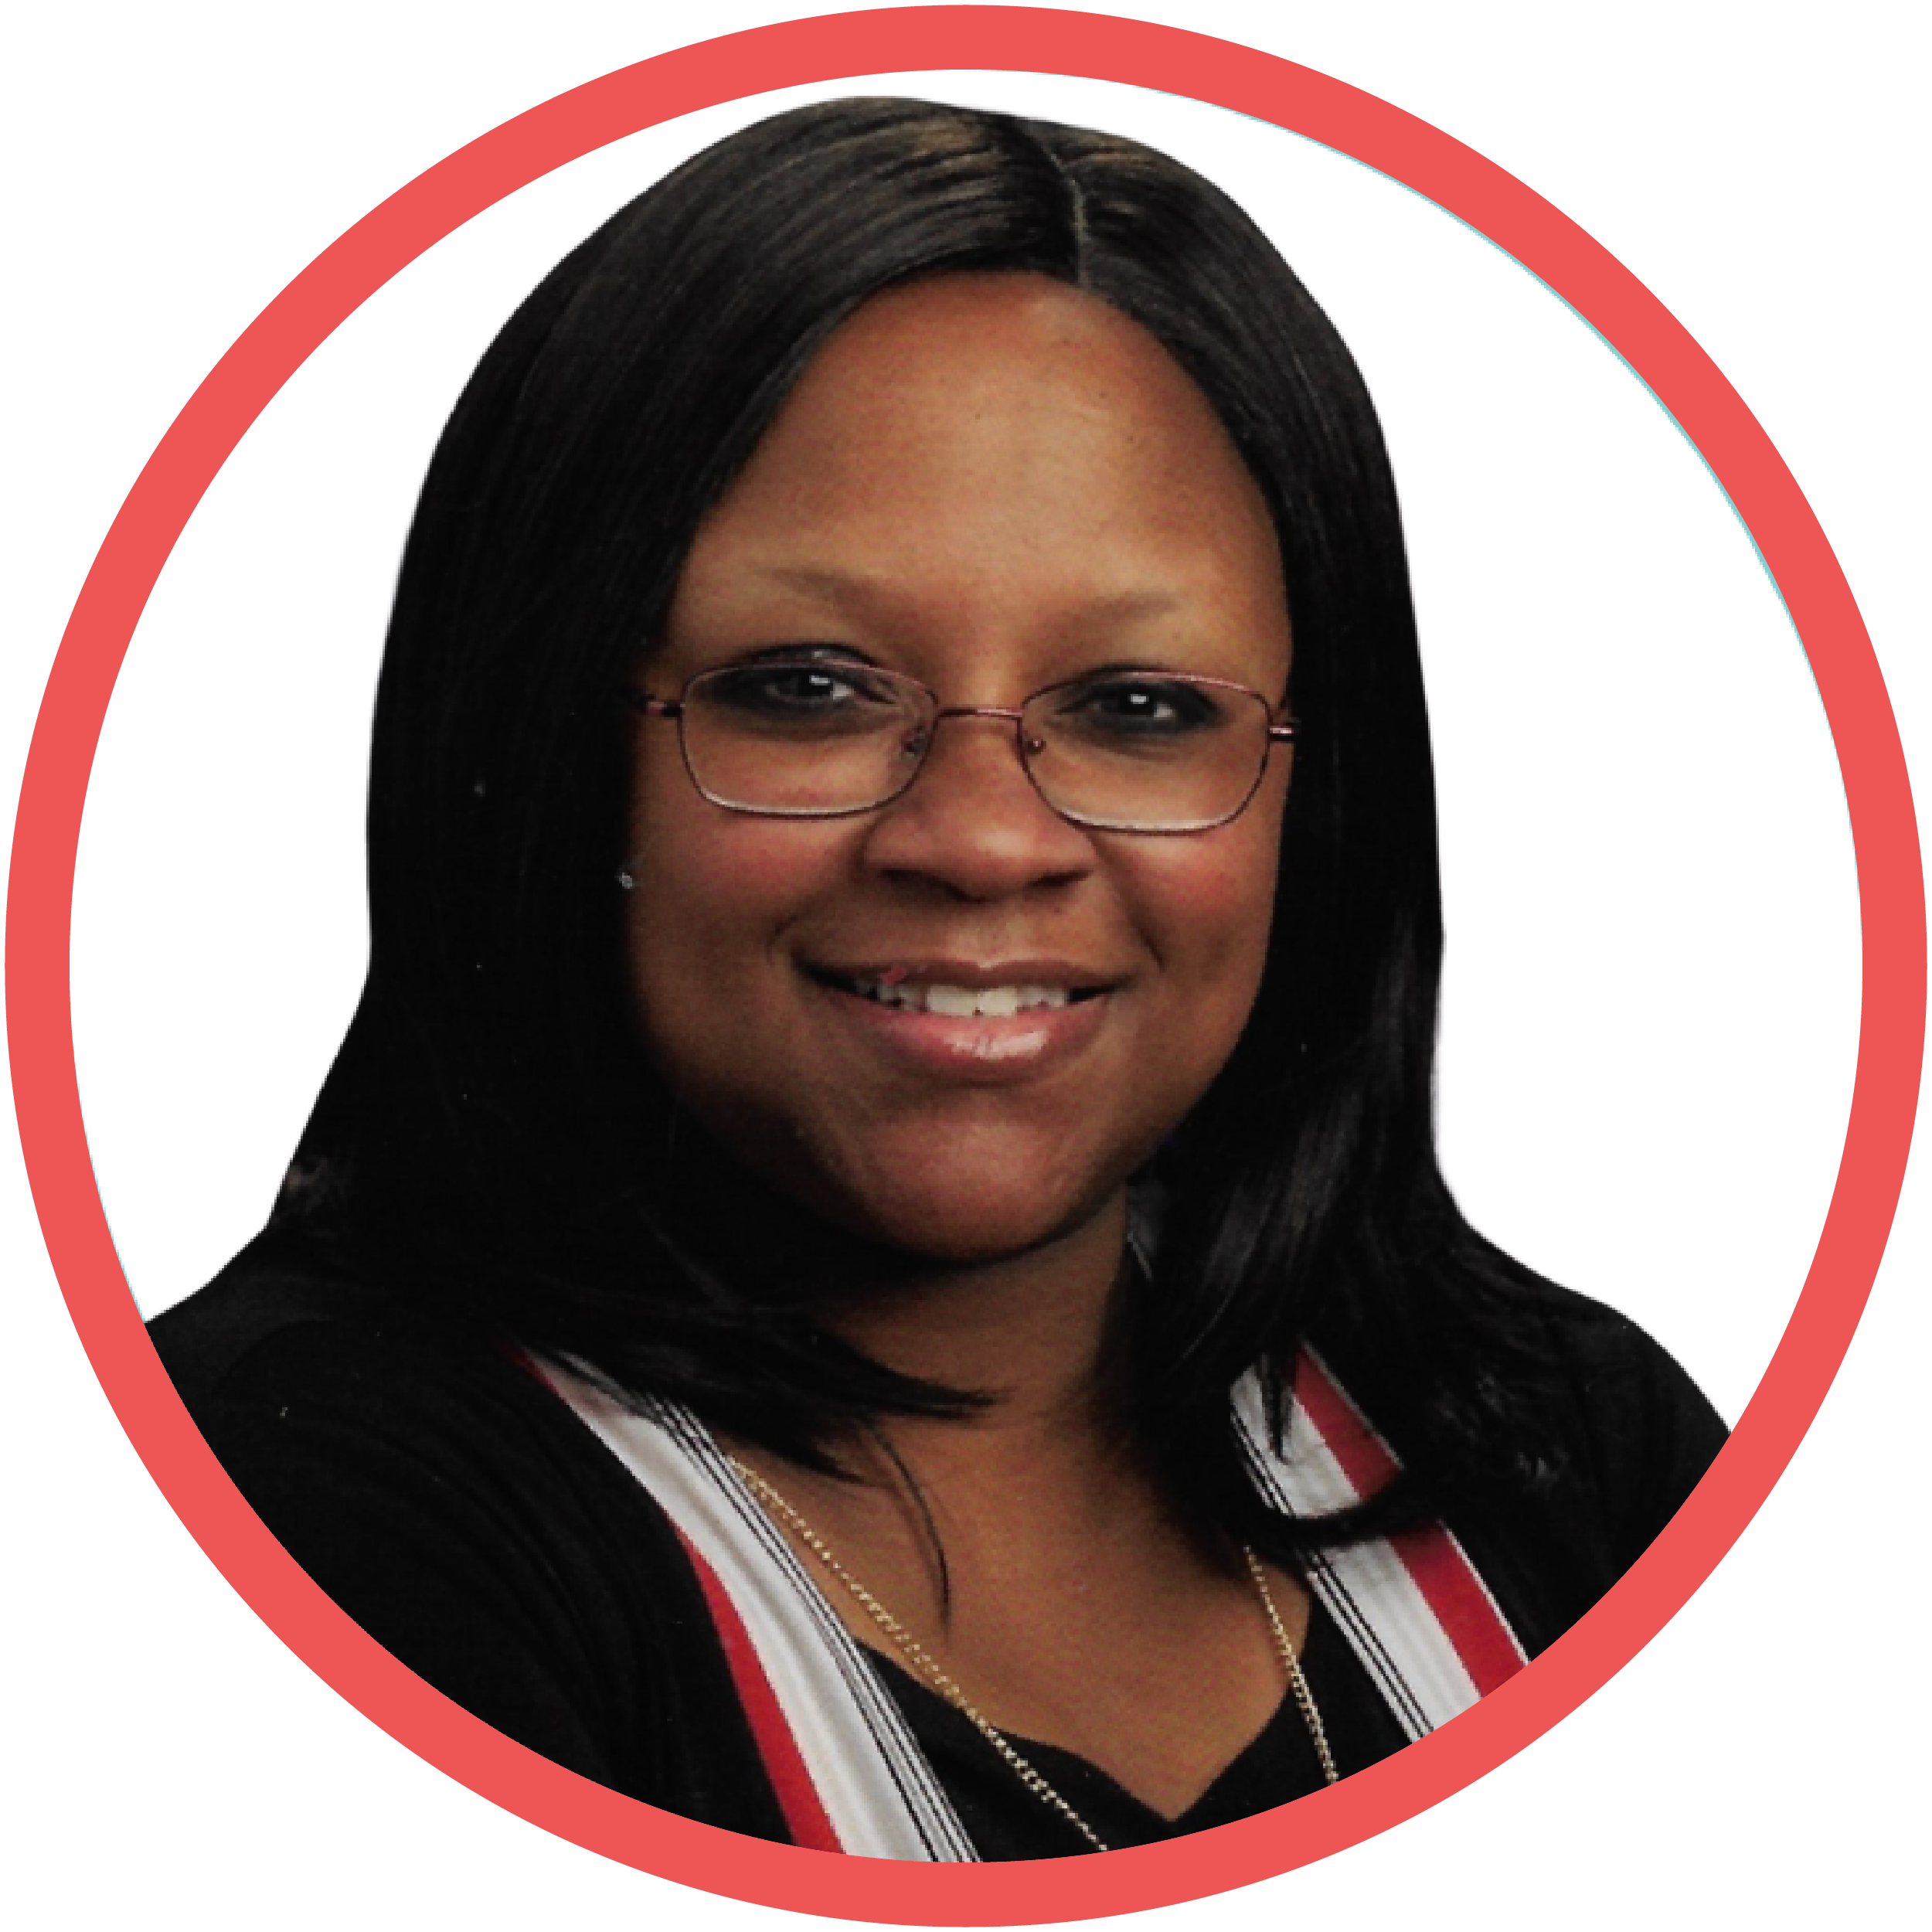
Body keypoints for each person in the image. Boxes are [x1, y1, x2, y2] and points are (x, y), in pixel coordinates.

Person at [149, 97, 1726, 1859]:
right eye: (807, 688)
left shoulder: (1568, 1451)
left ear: (1319, 792)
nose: (982, 839)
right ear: (541, 749)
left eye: (1140, 707)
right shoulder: (288, 1522)